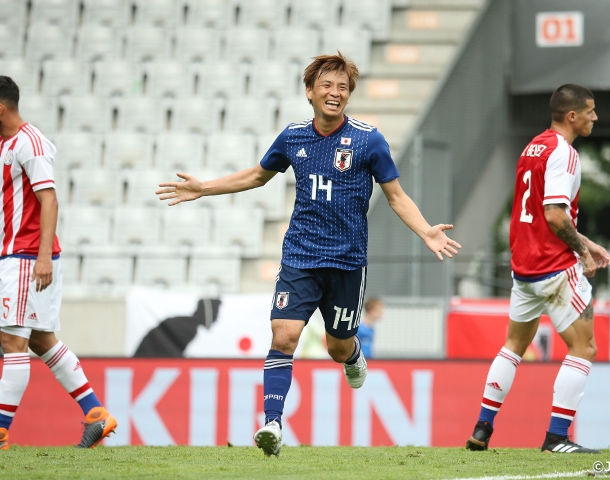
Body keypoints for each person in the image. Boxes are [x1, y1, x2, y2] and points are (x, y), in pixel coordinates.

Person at [157, 52, 460, 457]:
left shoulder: (369, 140)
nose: (334, 93)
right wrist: (202, 188)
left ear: (349, 95)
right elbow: (255, 176)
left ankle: (352, 355)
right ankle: (273, 424)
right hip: (300, 256)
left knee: (337, 347)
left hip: (348, 263)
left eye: (342, 87)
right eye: (327, 86)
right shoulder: (293, 137)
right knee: (284, 335)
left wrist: (425, 231)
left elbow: (396, 196)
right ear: (310, 92)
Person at [465, 84, 610, 454]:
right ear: (572, 116)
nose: (595, 117)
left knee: (513, 345)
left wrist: (586, 241)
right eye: (590, 111)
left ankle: (482, 428)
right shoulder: (565, 153)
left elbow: (536, 213)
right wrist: (583, 253)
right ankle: (556, 437)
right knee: (585, 347)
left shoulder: (533, 146)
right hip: (554, 267)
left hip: (524, 268)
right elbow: (554, 214)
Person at [0, 76, 117, 450]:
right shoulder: (6, 144)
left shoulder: (30, 144)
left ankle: (0, 430)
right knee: (40, 339)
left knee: (11, 341)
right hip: (15, 254)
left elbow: (48, 200)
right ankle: (96, 414)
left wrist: (44, 256)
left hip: (27, 256)